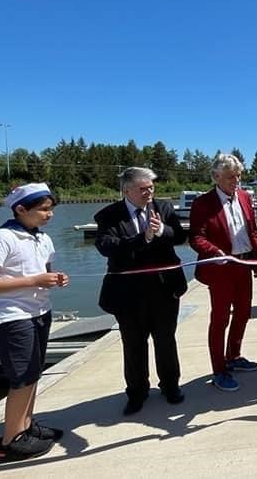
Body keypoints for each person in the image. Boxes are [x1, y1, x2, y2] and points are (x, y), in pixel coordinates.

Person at [0, 183, 67, 462]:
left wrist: (54, 278)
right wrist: (34, 281)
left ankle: (26, 427)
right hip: (10, 316)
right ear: (21, 209)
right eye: (43, 210)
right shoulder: (1, 238)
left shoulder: (41, 238)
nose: (49, 215)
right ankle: (9, 442)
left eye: (51, 210)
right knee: (22, 378)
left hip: (39, 312)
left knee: (33, 375)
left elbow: (43, 271)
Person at [95, 167, 188, 415]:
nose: (149, 192)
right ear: (127, 190)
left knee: (166, 340)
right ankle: (137, 392)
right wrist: (142, 239)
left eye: (151, 187)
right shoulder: (108, 216)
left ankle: (170, 386)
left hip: (164, 289)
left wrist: (161, 232)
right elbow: (106, 246)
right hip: (128, 295)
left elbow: (179, 236)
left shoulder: (164, 209)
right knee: (134, 344)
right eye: (143, 188)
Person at [188, 153, 257, 393]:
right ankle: (219, 370)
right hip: (220, 268)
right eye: (231, 176)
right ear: (216, 177)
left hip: (243, 265)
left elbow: (251, 230)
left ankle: (234, 355)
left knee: (244, 312)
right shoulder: (204, 203)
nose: (236, 180)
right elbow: (196, 237)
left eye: (239, 175)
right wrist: (214, 251)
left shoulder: (244, 197)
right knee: (220, 319)